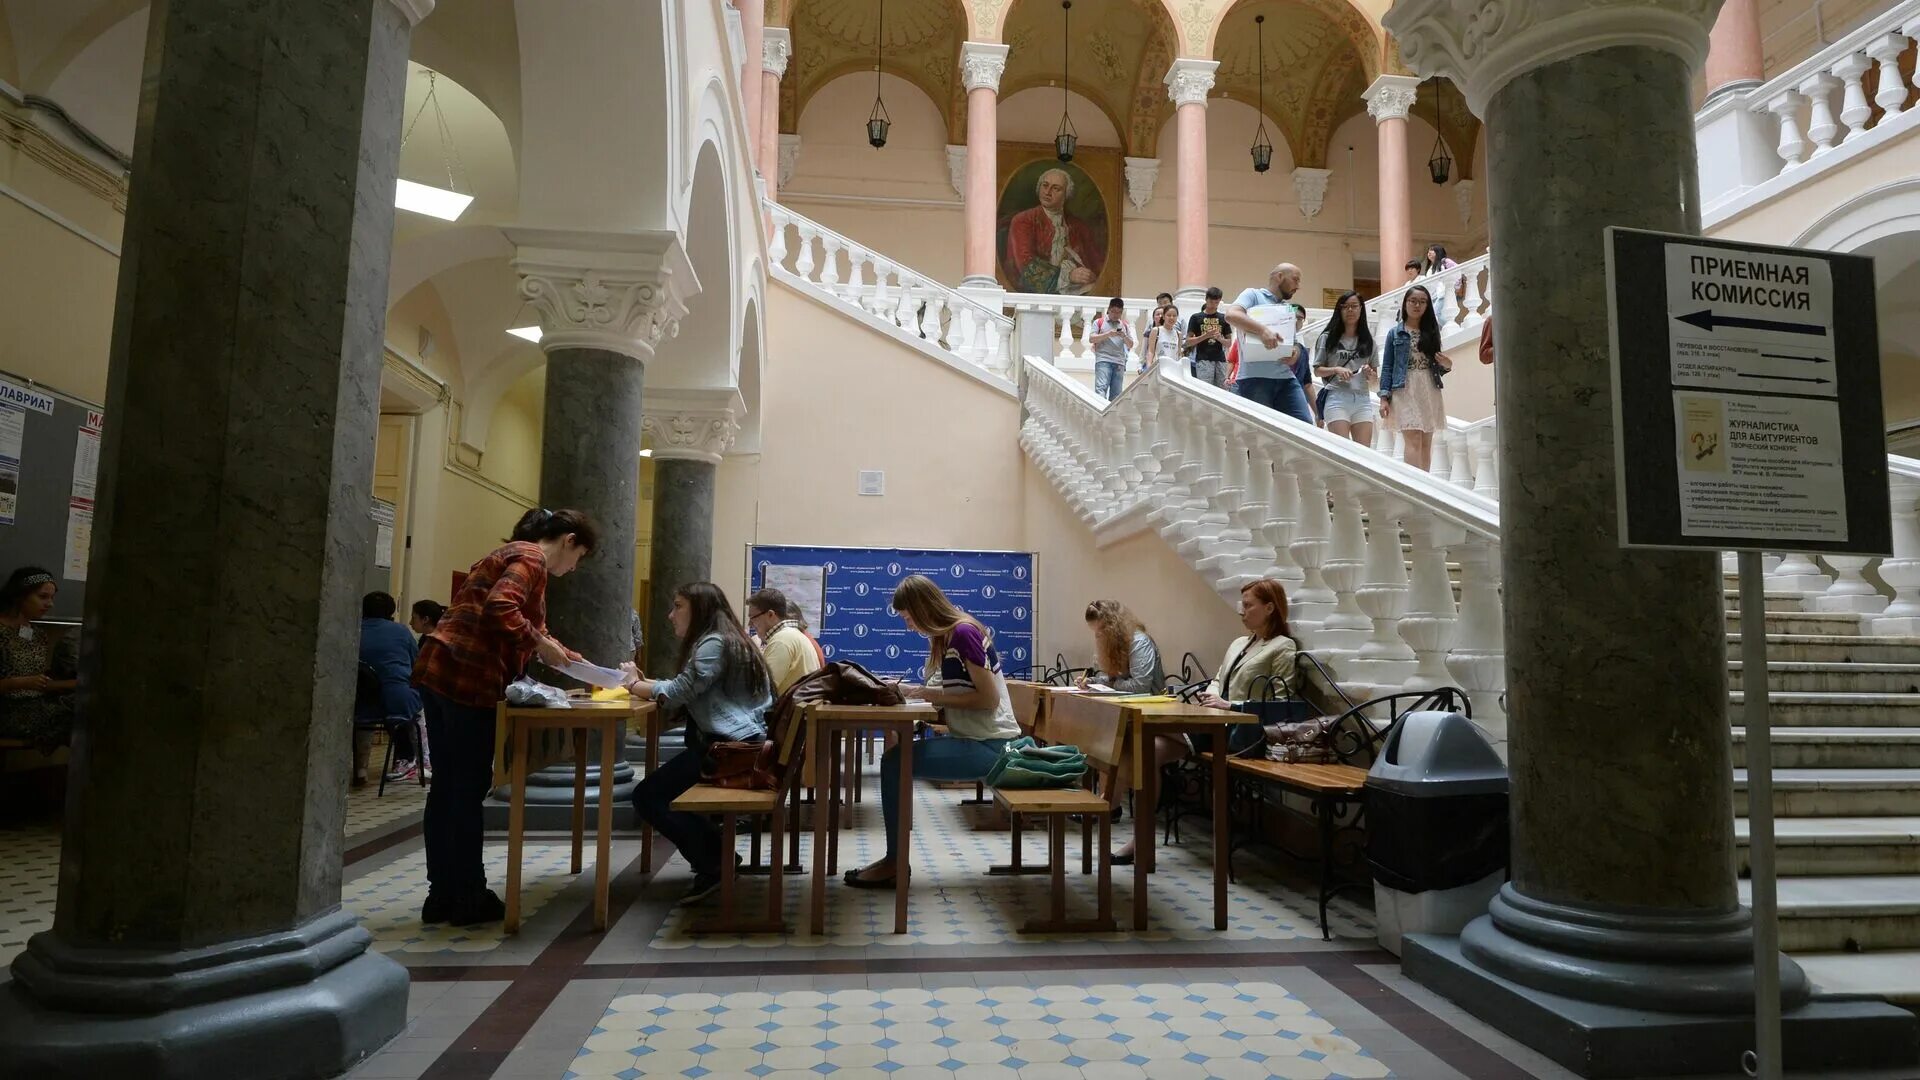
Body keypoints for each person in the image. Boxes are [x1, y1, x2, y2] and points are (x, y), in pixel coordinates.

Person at [413, 508, 596, 926]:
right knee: (467, 789)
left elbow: (529, 622)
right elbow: (501, 608)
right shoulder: (532, 558)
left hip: (439, 670)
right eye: (579, 556)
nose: (574, 567)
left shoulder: (510, 554)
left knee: (445, 789)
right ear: (568, 540)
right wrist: (540, 643)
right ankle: (469, 896)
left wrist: (559, 651)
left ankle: (440, 894)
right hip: (468, 678)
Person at [845, 575, 1020, 888]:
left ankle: (894, 862)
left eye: (909, 618)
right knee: (896, 761)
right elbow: (955, 696)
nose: (908, 626)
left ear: (923, 609)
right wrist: (915, 692)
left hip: (994, 748)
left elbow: (987, 698)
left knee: (894, 763)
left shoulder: (963, 633)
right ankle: (894, 859)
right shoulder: (949, 637)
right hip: (982, 741)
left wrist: (928, 695)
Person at [624, 582, 774, 904]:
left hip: (732, 750)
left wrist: (635, 685)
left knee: (648, 796)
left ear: (700, 609)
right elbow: (687, 685)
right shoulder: (728, 639)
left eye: (678, 606)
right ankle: (717, 857)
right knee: (661, 792)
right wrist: (643, 683)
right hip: (740, 744)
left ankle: (714, 865)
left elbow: (680, 691)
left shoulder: (714, 643)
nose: (670, 615)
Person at [1078, 600, 1178, 866]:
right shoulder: (1119, 645)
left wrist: (1107, 683)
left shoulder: (1139, 641)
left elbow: (1140, 687)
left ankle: (1135, 834)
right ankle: (1107, 805)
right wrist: (1093, 682)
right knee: (1107, 744)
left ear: (1113, 626)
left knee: (1138, 752)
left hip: (1163, 723)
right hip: (1134, 722)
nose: (1098, 637)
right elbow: (1116, 680)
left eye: (1100, 632)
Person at [1223, 264, 1314, 424]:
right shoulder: (1252, 295)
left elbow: (1294, 344)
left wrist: (1295, 353)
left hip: (1286, 378)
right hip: (1254, 378)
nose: (1298, 286)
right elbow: (1231, 315)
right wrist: (1262, 330)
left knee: (1304, 426)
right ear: (1279, 277)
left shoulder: (1287, 309)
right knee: (1261, 433)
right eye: (1295, 280)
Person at [0, 567, 76, 751]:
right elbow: (26, 683)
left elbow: (38, 683)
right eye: (43, 597)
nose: (50, 604)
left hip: (35, 705)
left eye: (52, 598)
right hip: (8, 710)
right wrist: (19, 683)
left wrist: (74, 684)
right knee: (79, 717)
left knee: (87, 703)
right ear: (20, 596)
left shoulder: (38, 635)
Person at [1198, 578, 1299, 712]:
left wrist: (1230, 705)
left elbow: (1280, 702)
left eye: (1248, 606)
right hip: (1218, 719)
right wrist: (1211, 697)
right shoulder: (1238, 643)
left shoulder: (1283, 645)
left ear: (1269, 608)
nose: (1241, 612)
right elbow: (1218, 680)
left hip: (1247, 726)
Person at [1380, 285, 1451, 471]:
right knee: (1413, 438)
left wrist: (1447, 365)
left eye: (1422, 301)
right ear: (1405, 304)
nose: (1417, 305)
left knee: (1426, 440)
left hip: (1429, 387)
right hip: (1404, 387)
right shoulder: (1394, 333)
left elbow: (1437, 366)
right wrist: (1383, 398)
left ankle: (1425, 487)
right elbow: (1387, 366)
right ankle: (1415, 486)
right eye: (1413, 301)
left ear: (1427, 305)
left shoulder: (1432, 332)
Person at [357, 591, 422, 788]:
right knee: (413, 711)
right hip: (396, 704)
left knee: (363, 720)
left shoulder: (351, 629)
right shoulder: (401, 632)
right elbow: (417, 665)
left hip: (356, 704)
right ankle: (407, 760)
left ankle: (360, 769)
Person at [1004, 168, 1104, 294]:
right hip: (1031, 292)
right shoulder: (1023, 220)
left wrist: (1091, 275)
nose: (1047, 192)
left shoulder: (1078, 226)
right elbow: (1026, 265)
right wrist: (1069, 276)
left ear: (1066, 194)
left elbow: (1096, 262)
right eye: (1045, 185)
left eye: (1056, 188)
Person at [1315, 290, 1380, 447]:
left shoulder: (1368, 341)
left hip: (1362, 399)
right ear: (1340, 310)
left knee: (1364, 453)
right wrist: (1336, 369)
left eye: (1354, 306)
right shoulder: (1327, 338)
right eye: (1345, 307)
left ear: (1361, 309)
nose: (1350, 310)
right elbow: (1317, 370)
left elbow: (1374, 378)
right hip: (1337, 396)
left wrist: (1368, 373)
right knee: (1342, 451)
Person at [746, 587, 823, 696]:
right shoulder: (792, 634)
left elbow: (761, 690)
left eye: (753, 617)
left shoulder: (782, 640)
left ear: (770, 615)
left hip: (783, 711)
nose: (750, 624)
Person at [1184, 287, 1233, 388]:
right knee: (1205, 389)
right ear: (1206, 299)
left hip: (1220, 359)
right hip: (1203, 359)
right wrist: (1205, 336)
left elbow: (1229, 343)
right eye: (1211, 301)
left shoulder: (1223, 318)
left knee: (1222, 390)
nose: (1213, 305)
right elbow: (1188, 342)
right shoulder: (1196, 317)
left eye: (1216, 302)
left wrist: (1220, 338)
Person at [1088, 297, 1134, 403]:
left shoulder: (1125, 325)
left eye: (1119, 312)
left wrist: (1124, 336)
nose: (1115, 315)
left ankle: (1113, 417)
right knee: (1101, 389)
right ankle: (1100, 414)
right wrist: (1108, 334)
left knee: (1117, 394)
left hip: (1119, 362)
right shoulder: (1099, 322)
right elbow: (1091, 339)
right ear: (1108, 309)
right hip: (1103, 360)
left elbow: (1130, 345)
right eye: (1113, 311)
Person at [1422, 244, 1462, 322]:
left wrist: (1457, 286)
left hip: (1444, 293)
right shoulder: (1430, 269)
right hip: (1434, 296)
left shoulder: (1445, 261)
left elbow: (1458, 270)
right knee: (1438, 316)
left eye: (1432, 250)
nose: (1429, 252)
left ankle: (1452, 328)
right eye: (1428, 251)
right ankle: (1448, 328)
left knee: (1435, 314)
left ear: (1438, 251)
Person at [1142, 303, 1181, 374]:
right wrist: (1149, 367)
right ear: (1163, 316)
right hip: (1158, 369)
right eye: (1169, 315)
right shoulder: (1156, 330)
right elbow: (1150, 351)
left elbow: (1178, 354)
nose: (1171, 318)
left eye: (1174, 316)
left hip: (1173, 371)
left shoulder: (1178, 334)